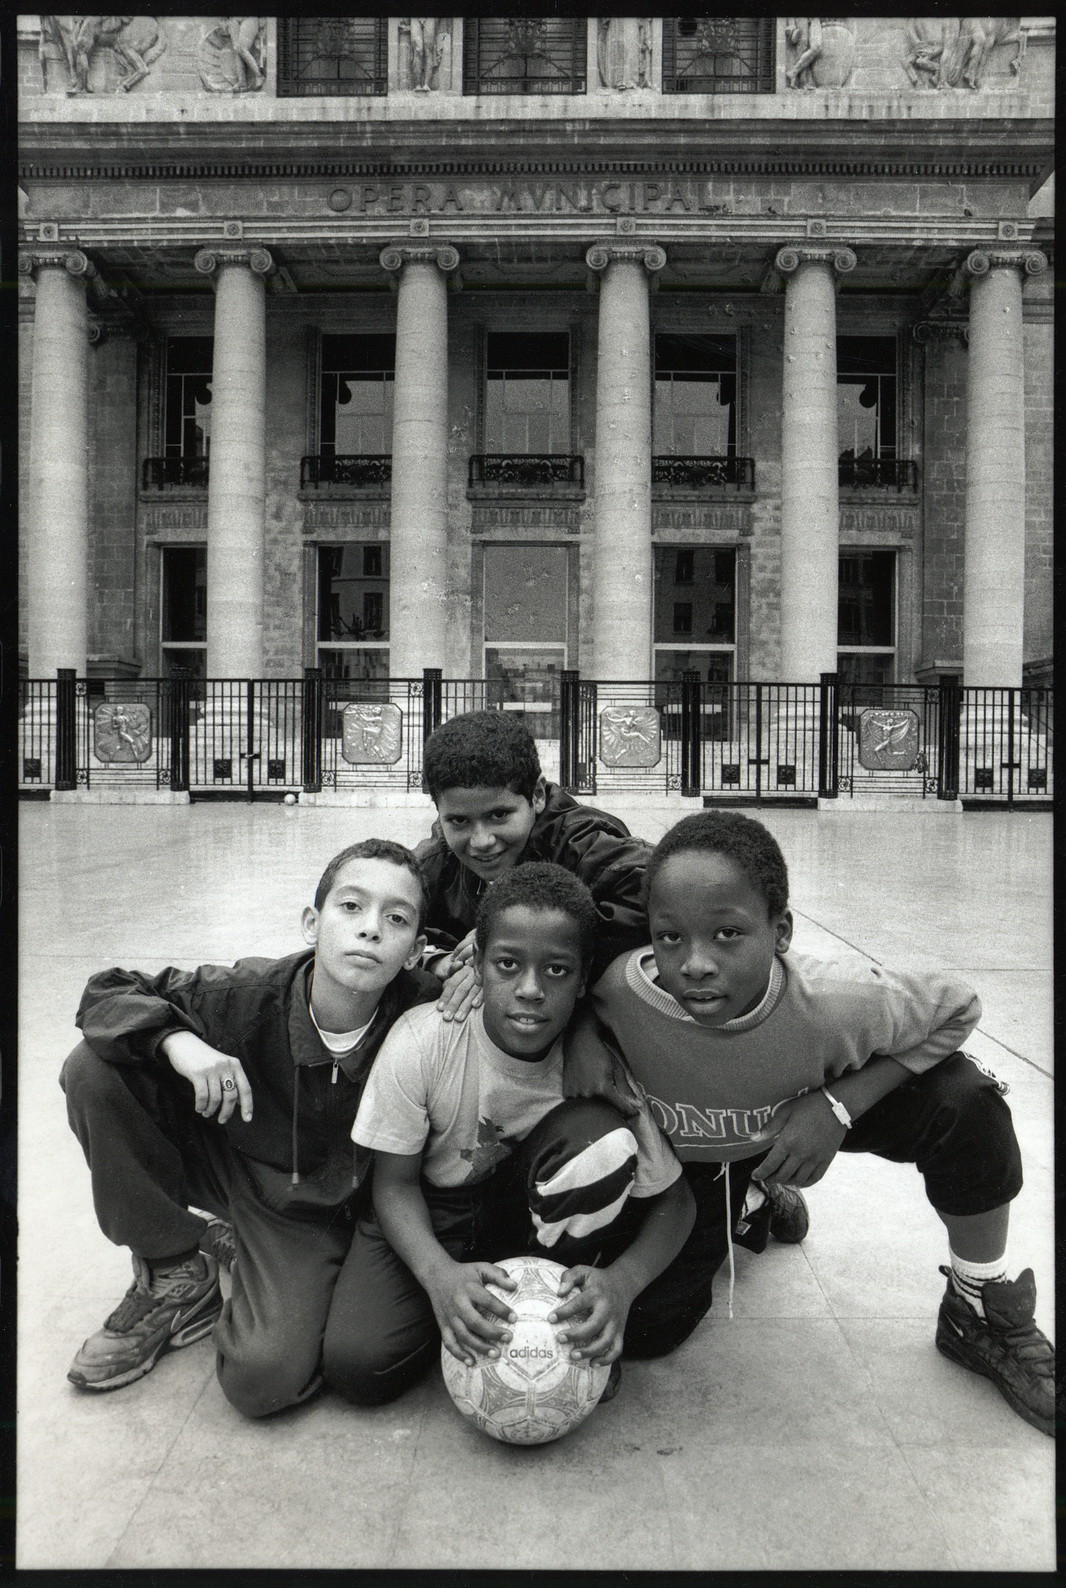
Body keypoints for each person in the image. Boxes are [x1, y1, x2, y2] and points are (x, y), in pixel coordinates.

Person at [565, 810, 1057, 1436]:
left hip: (811, 1106)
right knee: (650, 1327)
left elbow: (957, 1007)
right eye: (670, 937)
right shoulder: (622, 992)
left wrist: (838, 1106)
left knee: (966, 1101)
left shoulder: (837, 1001)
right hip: (707, 1153)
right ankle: (751, 1194)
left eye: (728, 935)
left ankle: (975, 1302)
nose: (695, 964)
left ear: (782, 932)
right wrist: (583, 1029)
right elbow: (572, 994)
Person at [61, 839, 439, 1415]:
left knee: (261, 1380)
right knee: (94, 1068)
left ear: (415, 950)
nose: (370, 930)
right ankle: (174, 1269)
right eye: (351, 907)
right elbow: (106, 991)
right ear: (312, 923)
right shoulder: (245, 996)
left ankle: (245, 1251)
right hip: (237, 1164)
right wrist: (177, 1041)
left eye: (396, 919)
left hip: (328, 1209)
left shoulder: (429, 1014)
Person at [414, 707, 809, 1254]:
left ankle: (752, 1184)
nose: (481, 841)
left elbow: (660, 905)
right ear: (439, 814)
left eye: (499, 816)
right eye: (460, 822)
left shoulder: (586, 843)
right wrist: (444, 963)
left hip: (625, 1032)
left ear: (536, 795)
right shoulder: (437, 865)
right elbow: (390, 926)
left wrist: (545, 961)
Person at [336, 863, 695, 1405]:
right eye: (507, 965)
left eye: (556, 971)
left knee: (598, 1141)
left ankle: (547, 1303)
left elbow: (677, 1201)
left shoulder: (600, 1067)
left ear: (582, 980)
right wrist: (438, 1277)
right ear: (477, 966)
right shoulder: (425, 1041)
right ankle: (469, 1306)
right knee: (358, 1368)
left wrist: (622, 1283)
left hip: (532, 1220)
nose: (529, 990)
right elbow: (394, 1185)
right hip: (438, 1211)